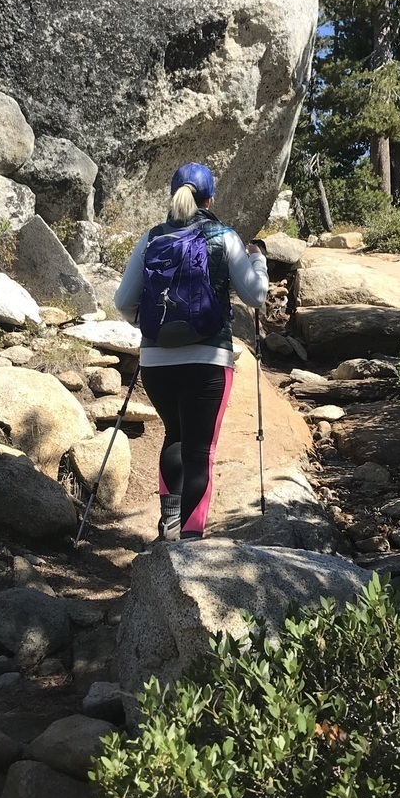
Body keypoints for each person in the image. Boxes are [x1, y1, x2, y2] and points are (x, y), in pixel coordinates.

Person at [114, 162, 269, 541]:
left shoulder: (151, 238)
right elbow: (256, 296)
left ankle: (168, 525)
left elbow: (122, 302)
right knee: (200, 451)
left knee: (175, 435)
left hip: (156, 363)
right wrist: (258, 260)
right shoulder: (224, 237)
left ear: (173, 197)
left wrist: (154, 325)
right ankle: (190, 541)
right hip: (208, 361)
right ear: (209, 199)